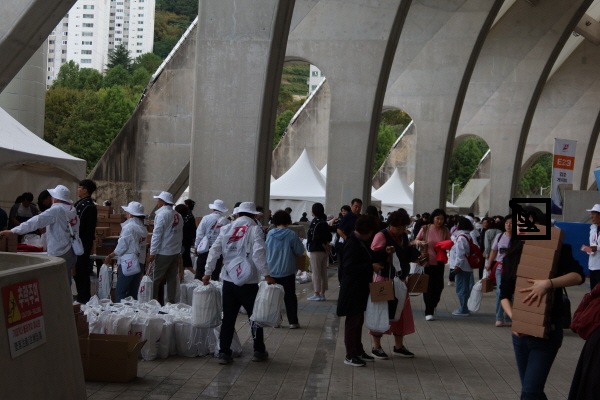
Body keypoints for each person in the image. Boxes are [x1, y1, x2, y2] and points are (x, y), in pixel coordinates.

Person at [500, 207, 585, 400]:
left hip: (548, 331)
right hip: (520, 335)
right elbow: (504, 295)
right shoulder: (512, 254)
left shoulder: (558, 250)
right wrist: (515, 319)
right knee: (532, 391)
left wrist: (548, 283)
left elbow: (578, 276)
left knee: (529, 391)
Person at [202, 202, 275, 365]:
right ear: (254, 215)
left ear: (238, 214)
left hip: (228, 279)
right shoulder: (255, 229)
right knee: (254, 317)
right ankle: (258, 350)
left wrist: (207, 272)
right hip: (249, 281)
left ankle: (224, 352)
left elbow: (214, 251)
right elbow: (258, 253)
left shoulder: (226, 228)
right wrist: (267, 275)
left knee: (228, 317)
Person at [1, 185, 79, 284]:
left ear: (56, 198)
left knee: (55, 281)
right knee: (66, 280)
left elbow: (36, 221)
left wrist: (14, 231)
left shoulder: (57, 209)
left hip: (60, 250)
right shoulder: (72, 209)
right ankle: (67, 294)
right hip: (71, 249)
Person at [369, 210, 416, 359]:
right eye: (399, 227)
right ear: (392, 225)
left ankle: (399, 346)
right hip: (384, 279)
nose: (402, 230)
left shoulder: (403, 236)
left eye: (404, 227)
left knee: (400, 312)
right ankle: (376, 346)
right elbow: (373, 256)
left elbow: (407, 253)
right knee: (381, 311)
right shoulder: (381, 235)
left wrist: (419, 257)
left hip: (400, 280)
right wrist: (385, 252)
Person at [336, 215, 381, 367]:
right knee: (352, 322)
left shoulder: (360, 241)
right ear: (365, 231)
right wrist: (370, 267)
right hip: (352, 289)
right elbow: (348, 267)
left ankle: (358, 350)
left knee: (358, 321)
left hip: (359, 288)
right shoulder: (352, 243)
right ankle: (350, 354)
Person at [266, 210, 305, 329]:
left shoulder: (270, 233)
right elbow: (299, 250)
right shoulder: (291, 234)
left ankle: (275, 321)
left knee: (274, 297)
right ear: (288, 220)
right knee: (290, 297)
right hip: (287, 270)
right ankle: (293, 322)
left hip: (272, 270)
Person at [104, 202, 147, 302]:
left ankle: (121, 310)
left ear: (131, 214)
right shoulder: (142, 228)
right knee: (133, 291)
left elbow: (122, 246)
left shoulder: (129, 227)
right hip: (140, 262)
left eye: (127, 212)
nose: (125, 214)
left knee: (121, 291)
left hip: (128, 262)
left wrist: (110, 256)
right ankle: (133, 310)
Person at [414, 208, 451, 321]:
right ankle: (428, 311)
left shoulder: (445, 230)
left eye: (442, 219)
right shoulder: (425, 228)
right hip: (427, 261)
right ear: (433, 218)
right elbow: (415, 240)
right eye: (437, 218)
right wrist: (420, 242)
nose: (439, 221)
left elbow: (449, 243)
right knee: (428, 287)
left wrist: (445, 245)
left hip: (440, 261)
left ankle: (433, 304)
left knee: (439, 286)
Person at [148, 191, 183, 305]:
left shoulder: (162, 215)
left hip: (164, 251)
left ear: (163, 202)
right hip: (175, 251)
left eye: (158, 200)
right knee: (171, 278)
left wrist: (152, 252)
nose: (157, 202)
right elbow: (179, 234)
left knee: (155, 278)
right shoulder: (178, 215)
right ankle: (170, 302)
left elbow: (157, 235)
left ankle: (152, 301)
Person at [486, 215, 512, 327]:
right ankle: (499, 317)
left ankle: (509, 316)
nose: (508, 225)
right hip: (500, 268)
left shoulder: (519, 238)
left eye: (511, 223)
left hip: (512, 269)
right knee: (500, 292)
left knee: (510, 293)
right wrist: (489, 263)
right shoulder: (499, 236)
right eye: (506, 223)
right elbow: (494, 251)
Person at [74, 179, 97, 304]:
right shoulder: (87, 204)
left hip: (81, 242)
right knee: (81, 270)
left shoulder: (84, 205)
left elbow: (78, 225)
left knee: (81, 271)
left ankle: (83, 297)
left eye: (80, 187)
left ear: (85, 190)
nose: (78, 189)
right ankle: (83, 296)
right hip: (85, 242)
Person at [194, 199, 230, 280]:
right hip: (218, 248)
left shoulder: (206, 218)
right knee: (215, 272)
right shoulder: (227, 221)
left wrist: (196, 246)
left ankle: (199, 285)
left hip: (205, 247)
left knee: (200, 270)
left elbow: (199, 233)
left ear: (213, 208)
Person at [449, 217, 476, 317]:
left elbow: (460, 254)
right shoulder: (468, 235)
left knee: (461, 288)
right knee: (465, 287)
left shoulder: (461, 237)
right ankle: (464, 307)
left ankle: (463, 308)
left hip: (462, 266)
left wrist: (457, 265)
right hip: (467, 266)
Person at [306, 202, 332, 301]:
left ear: (314, 211)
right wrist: (326, 245)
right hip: (325, 250)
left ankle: (316, 293)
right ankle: (322, 293)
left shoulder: (315, 222)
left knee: (316, 272)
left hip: (316, 249)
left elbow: (314, 237)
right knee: (323, 272)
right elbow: (329, 236)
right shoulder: (324, 221)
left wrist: (322, 244)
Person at [336, 199, 362, 282]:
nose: (357, 209)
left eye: (359, 207)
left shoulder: (360, 217)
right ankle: (342, 282)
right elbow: (339, 230)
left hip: (356, 245)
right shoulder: (348, 216)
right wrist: (347, 239)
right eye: (355, 206)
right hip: (345, 246)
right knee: (343, 265)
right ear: (352, 206)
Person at [582, 203, 600, 290]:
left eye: (594, 214)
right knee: (593, 291)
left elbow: (597, 246)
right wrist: (588, 249)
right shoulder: (592, 228)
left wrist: (597, 248)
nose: (591, 216)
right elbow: (593, 244)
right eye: (591, 214)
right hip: (592, 266)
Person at [175, 204, 196, 271]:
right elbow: (194, 230)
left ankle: (184, 273)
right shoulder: (190, 217)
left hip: (182, 241)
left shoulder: (181, 220)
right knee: (186, 258)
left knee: (183, 260)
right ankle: (184, 273)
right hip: (188, 241)